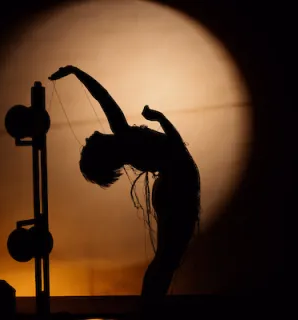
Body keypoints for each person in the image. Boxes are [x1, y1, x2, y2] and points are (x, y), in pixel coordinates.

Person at [49, 65, 201, 318]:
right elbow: (103, 96)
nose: (87, 138)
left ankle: (150, 307)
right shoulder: (122, 134)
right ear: (104, 153)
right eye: (89, 144)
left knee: (166, 257)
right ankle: (149, 309)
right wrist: (160, 118)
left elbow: (102, 97)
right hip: (178, 186)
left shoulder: (126, 141)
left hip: (172, 186)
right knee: (167, 257)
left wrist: (76, 73)